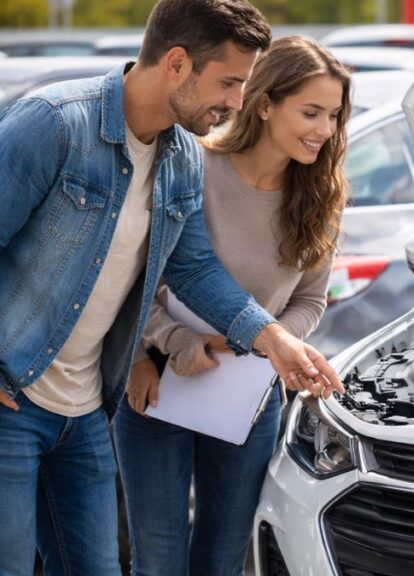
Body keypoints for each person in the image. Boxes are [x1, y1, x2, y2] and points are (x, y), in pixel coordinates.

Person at [0, 1, 343, 574]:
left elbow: (193, 270)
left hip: (84, 410)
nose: (238, 102)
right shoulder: (55, 123)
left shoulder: (181, 157)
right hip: (12, 396)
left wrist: (275, 340)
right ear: (177, 63)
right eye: (229, 82)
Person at [113, 36, 351, 575]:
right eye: (310, 112)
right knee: (158, 558)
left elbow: (311, 299)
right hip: (158, 382)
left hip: (250, 394)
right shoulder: (191, 165)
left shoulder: (321, 197)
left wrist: (268, 344)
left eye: (334, 115)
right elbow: (133, 274)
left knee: (224, 558)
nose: (325, 129)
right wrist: (149, 352)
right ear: (264, 105)